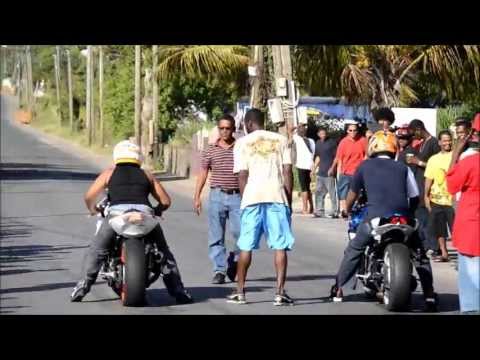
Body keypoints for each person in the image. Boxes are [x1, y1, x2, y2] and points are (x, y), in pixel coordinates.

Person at [70, 141, 193, 304]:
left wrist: (94, 209)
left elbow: (89, 196)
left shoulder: (109, 173)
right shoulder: (147, 174)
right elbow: (166, 200)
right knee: (163, 252)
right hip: (144, 214)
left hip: (116, 215)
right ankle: (179, 291)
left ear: (116, 156)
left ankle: (82, 287)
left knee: (97, 250)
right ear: (138, 157)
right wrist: (158, 210)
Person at [329, 131, 438, 311]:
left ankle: (338, 288)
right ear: (394, 149)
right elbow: (414, 196)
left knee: (355, 249)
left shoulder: (364, 166)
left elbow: (352, 194)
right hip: (403, 219)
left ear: (372, 147)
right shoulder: (403, 168)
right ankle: (429, 295)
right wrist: (408, 213)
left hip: (375, 220)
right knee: (420, 255)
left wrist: (345, 210)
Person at [227, 108, 295, 306]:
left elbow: (241, 175)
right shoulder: (281, 140)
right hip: (276, 196)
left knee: (245, 245)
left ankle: (240, 292)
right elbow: (288, 171)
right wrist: (288, 201)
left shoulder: (241, 143)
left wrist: (243, 199)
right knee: (280, 245)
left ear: (248, 124)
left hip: (252, 197)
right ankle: (280, 293)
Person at [194, 114, 240, 284]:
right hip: (217, 196)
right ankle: (219, 270)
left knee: (242, 234)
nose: (225, 131)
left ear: (233, 129)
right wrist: (197, 196)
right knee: (216, 236)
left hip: (237, 197)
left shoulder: (240, 148)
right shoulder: (210, 149)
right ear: (218, 129)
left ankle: (234, 261)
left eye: (228, 128)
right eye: (222, 128)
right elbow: (203, 173)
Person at [446, 115, 480, 314]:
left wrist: (455, 153)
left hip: (471, 228)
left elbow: (451, 185)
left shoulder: (470, 162)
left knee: (471, 285)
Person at [407, 119, 440, 255]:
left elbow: (437, 165)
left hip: (428, 185)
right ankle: (425, 244)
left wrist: (418, 161)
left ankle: (433, 246)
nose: (414, 136)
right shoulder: (422, 144)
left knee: (427, 217)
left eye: (414, 133)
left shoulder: (433, 143)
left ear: (419, 129)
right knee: (419, 217)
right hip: (419, 184)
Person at [424, 130, 455, 263]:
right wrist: (425, 196)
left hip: (452, 200)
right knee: (439, 228)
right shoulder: (433, 159)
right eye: (444, 140)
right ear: (439, 142)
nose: (447, 142)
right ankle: (444, 253)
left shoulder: (456, 156)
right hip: (436, 198)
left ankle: (465, 255)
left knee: (456, 228)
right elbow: (428, 179)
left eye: (449, 140)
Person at [329, 122, 367, 215]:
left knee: (356, 192)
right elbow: (338, 157)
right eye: (350, 130)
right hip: (345, 172)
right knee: (343, 193)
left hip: (358, 172)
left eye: (355, 130)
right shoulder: (343, 142)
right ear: (347, 131)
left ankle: (353, 209)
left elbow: (367, 154)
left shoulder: (363, 141)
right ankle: (345, 211)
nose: (353, 132)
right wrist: (332, 168)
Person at [311, 127, 338, 218]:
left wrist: (332, 168)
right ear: (318, 134)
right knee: (318, 192)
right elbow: (318, 156)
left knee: (332, 192)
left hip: (329, 172)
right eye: (321, 133)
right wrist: (314, 169)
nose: (323, 134)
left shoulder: (331, 142)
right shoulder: (317, 143)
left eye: (324, 133)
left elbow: (336, 157)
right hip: (320, 172)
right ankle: (319, 211)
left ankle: (334, 211)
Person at [292, 123, 315, 215]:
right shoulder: (311, 141)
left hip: (301, 166)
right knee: (308, 188)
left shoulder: (297, 139)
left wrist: (297, 126)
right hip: (309, 166)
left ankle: (305, 208)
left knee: (303, 188)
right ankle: (311, 207)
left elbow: (290, 130)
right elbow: (313, 154)